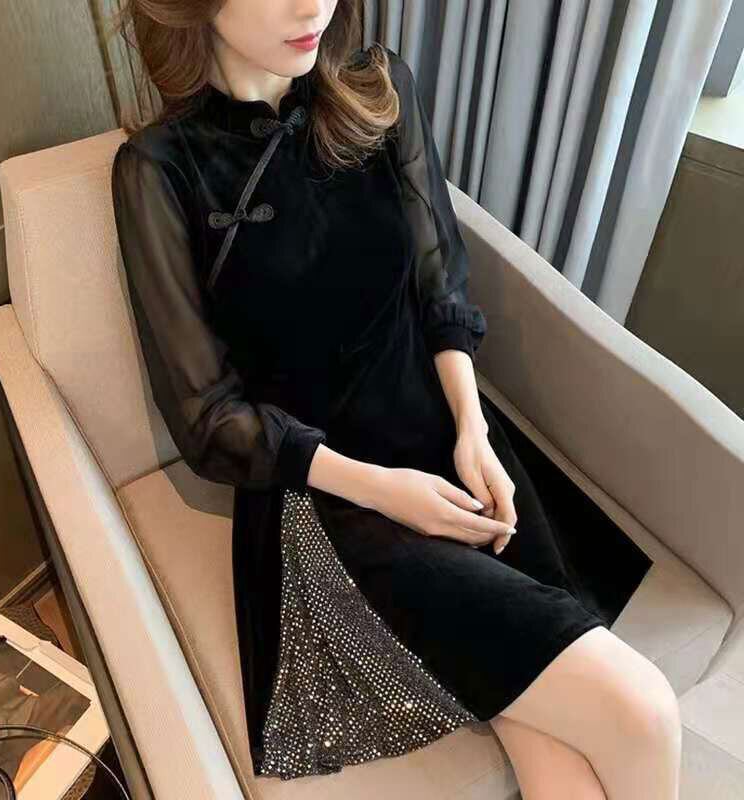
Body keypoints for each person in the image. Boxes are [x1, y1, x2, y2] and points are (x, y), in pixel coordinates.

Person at [109, 1, 681, 796]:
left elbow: (440, 281)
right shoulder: (160, 170)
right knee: (644, 712)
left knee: (555, 756)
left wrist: (473, 429)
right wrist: (385, 492)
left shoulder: (378, 88)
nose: (312, 5)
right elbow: (208, 418)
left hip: (444, 438)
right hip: (329, 496)